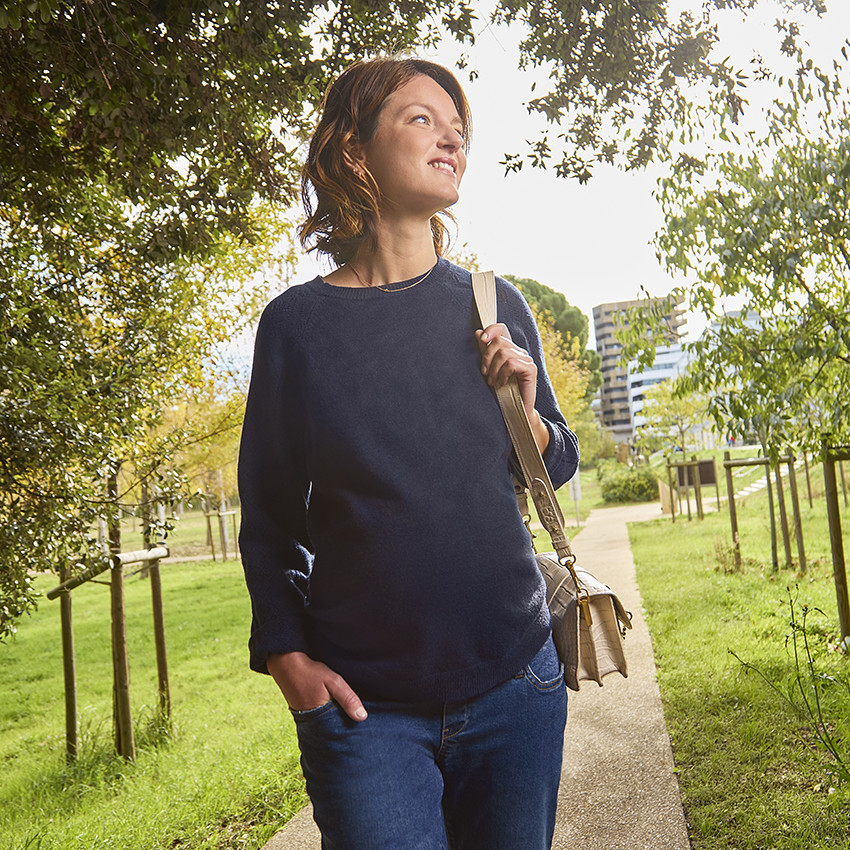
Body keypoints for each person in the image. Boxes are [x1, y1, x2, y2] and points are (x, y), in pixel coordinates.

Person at [238, 56, 580, 850]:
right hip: (366, 710)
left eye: (457, 123)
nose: (451, 133)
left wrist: (524, 411)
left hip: (517, 684)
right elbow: (269, 516)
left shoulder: (495, 306)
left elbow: (555, 465)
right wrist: (288, 659)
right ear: (356, 153)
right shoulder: (298, 326)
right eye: (421, 117)